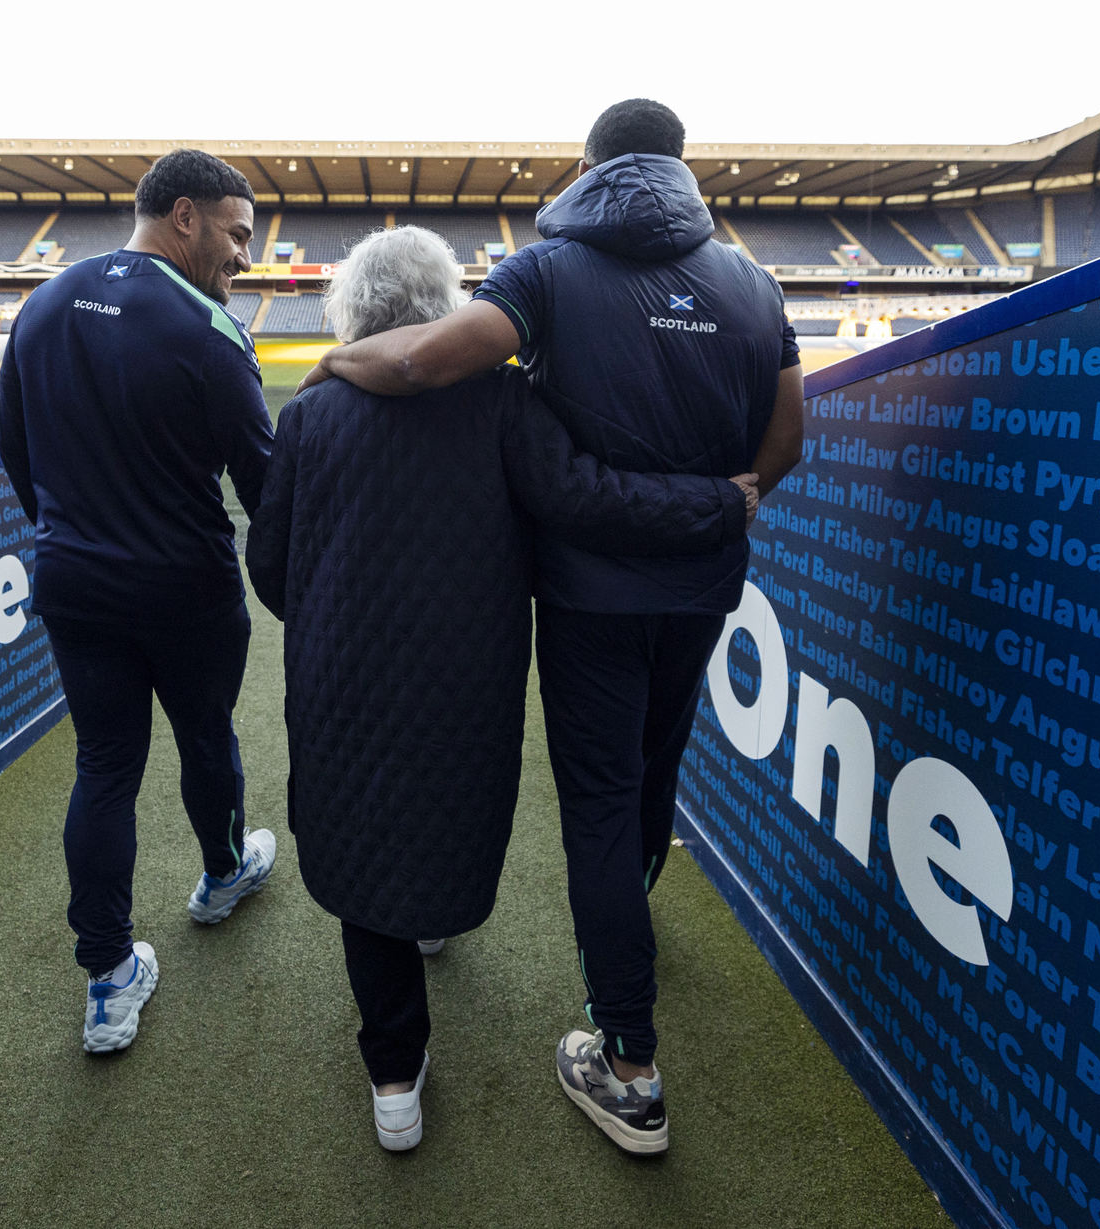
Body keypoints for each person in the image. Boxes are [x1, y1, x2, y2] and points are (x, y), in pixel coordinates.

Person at [300, 100, 805, 1153]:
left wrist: (338, 363)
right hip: (704, 578)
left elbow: (420, 364)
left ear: (588, 167)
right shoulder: (751, 279)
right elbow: (789, 429)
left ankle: (630, 1063)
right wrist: (737, 493)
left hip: (593, 597)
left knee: (599, 811)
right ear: (680, 166)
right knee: (652, 779)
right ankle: (632, 933)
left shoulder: (547, 268)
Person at [0, 149, 279, 1055]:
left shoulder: (40, 303)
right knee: (207, 736)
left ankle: (108, 977)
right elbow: (265, 481)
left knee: (105, 764)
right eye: (238, 235)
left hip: (73, 581)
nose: (245, 258)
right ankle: (223, 875)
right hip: (187, 589)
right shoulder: (208, 327)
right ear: (185, 216)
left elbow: (14, 448)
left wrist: (70, 532)